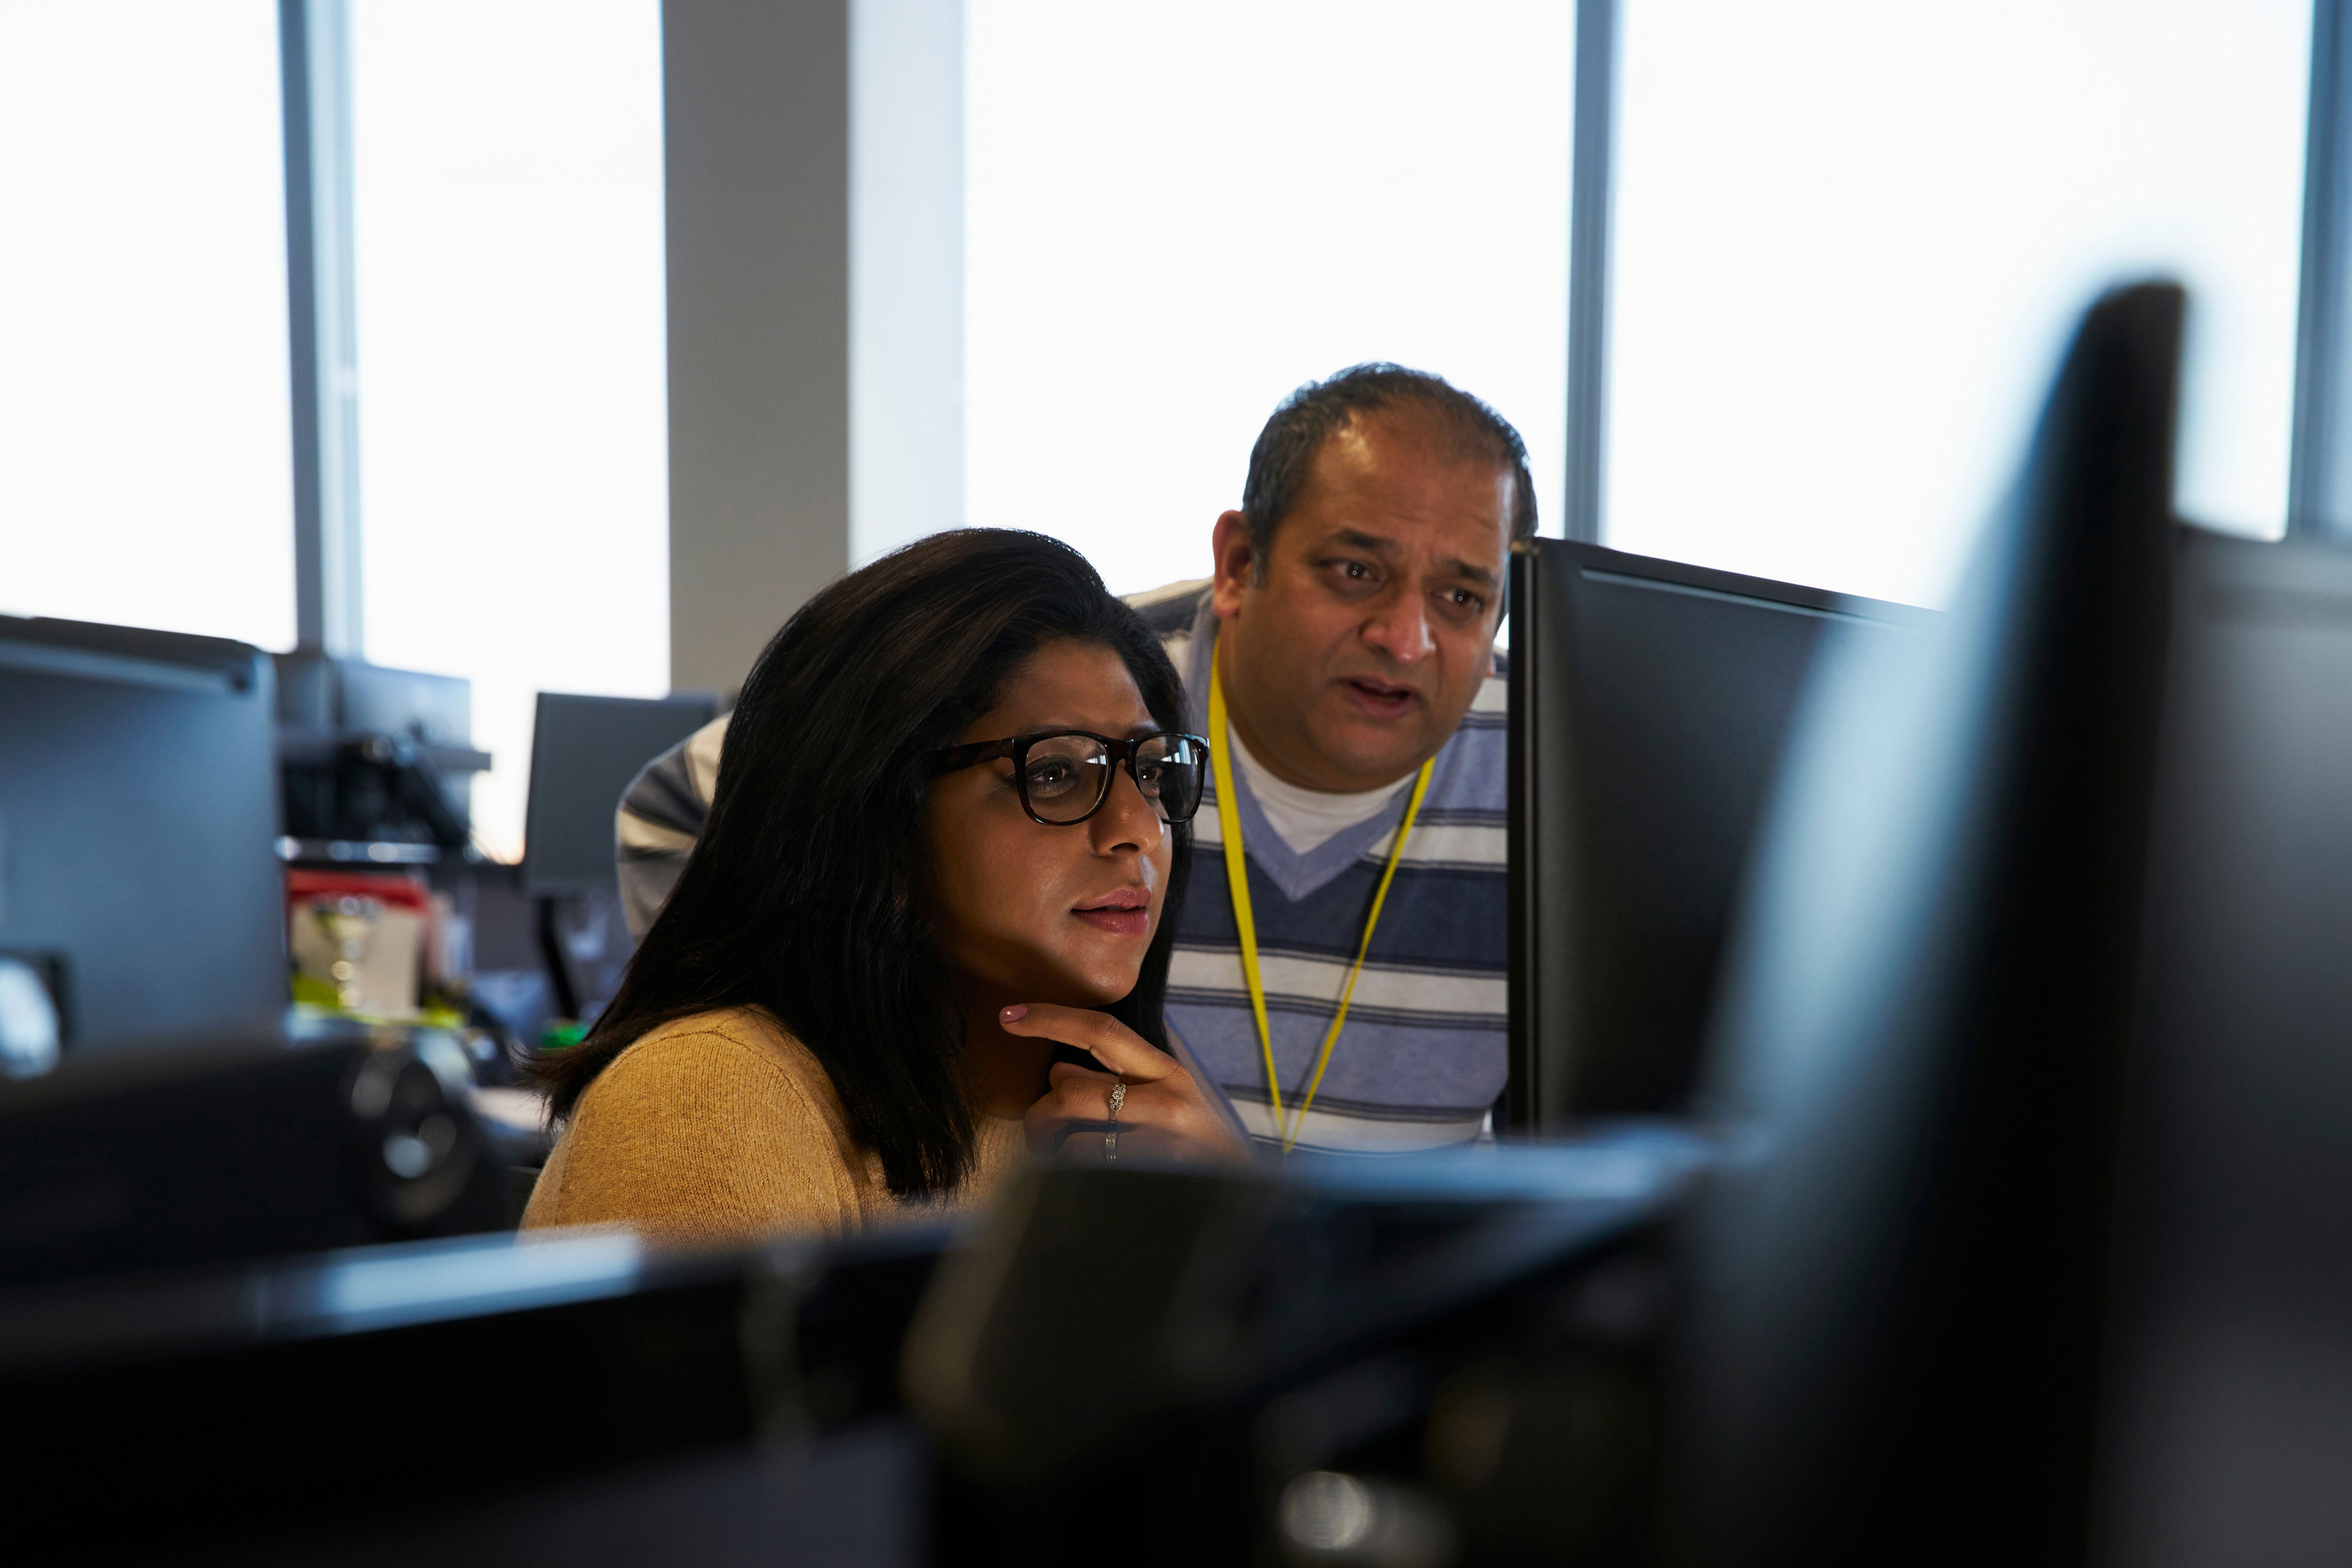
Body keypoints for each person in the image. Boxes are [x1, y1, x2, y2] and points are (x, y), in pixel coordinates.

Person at [618, 364, 1529, 1155]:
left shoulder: (1562, 784)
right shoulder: (1084, 676)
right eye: (1356, 572)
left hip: (1389, 1314)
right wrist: (863, 1077)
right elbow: (675, 810)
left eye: (1460, 595)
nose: (1405, 638)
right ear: (1240, 562)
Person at [525, 529, 1244, 1244]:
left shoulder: (1136, 1130)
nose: (1140, 831)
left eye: (1151, 772)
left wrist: (1234, 1234)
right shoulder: (706, 1099)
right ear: (879, 806)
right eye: (1055, 772)